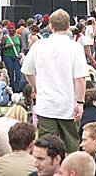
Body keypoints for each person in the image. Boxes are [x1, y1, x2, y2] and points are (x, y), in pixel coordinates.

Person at [22, 9, 88, 154]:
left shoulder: (39, 45)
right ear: (68, 25)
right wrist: (80, 102)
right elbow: (80, 78)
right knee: (71, 149)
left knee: (46, 150)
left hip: (46, 105)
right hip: (68, 105)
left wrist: (35, 86)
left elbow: (27, 71)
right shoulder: (75, 47)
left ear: (50, 26)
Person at [1, 22, 22, 92]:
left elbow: (22, 46)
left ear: (15, 28)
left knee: (18, 74)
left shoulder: (19, 36)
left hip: (17, 57)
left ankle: (17, 89)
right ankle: (12, 89)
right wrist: (6, 46)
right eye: (9, 29)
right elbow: (1, 48)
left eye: (12, 28)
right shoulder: (5, 37)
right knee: (11, 75)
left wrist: (20, 54)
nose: (11, 30)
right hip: (8, 57)